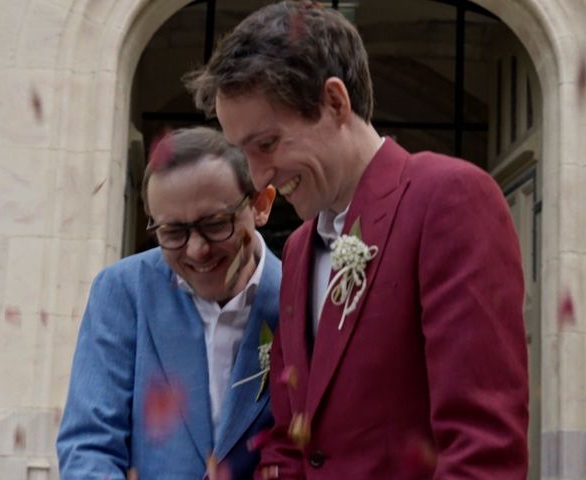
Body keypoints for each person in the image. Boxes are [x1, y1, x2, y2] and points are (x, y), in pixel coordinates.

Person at [185, 2, 529, 478]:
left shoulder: (448, 198)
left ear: (334, 102)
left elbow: (481, 450)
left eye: (266, 144)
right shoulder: (302, 248)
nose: (259, 176)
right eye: (245, 156)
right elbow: (290, 440)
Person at [57, 127, 281, 479]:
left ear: (260, 206)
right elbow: (89, 446)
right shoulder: (123, 292)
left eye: (215, 224)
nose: (196, 250)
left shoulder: (300, 298)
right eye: (173, 233)